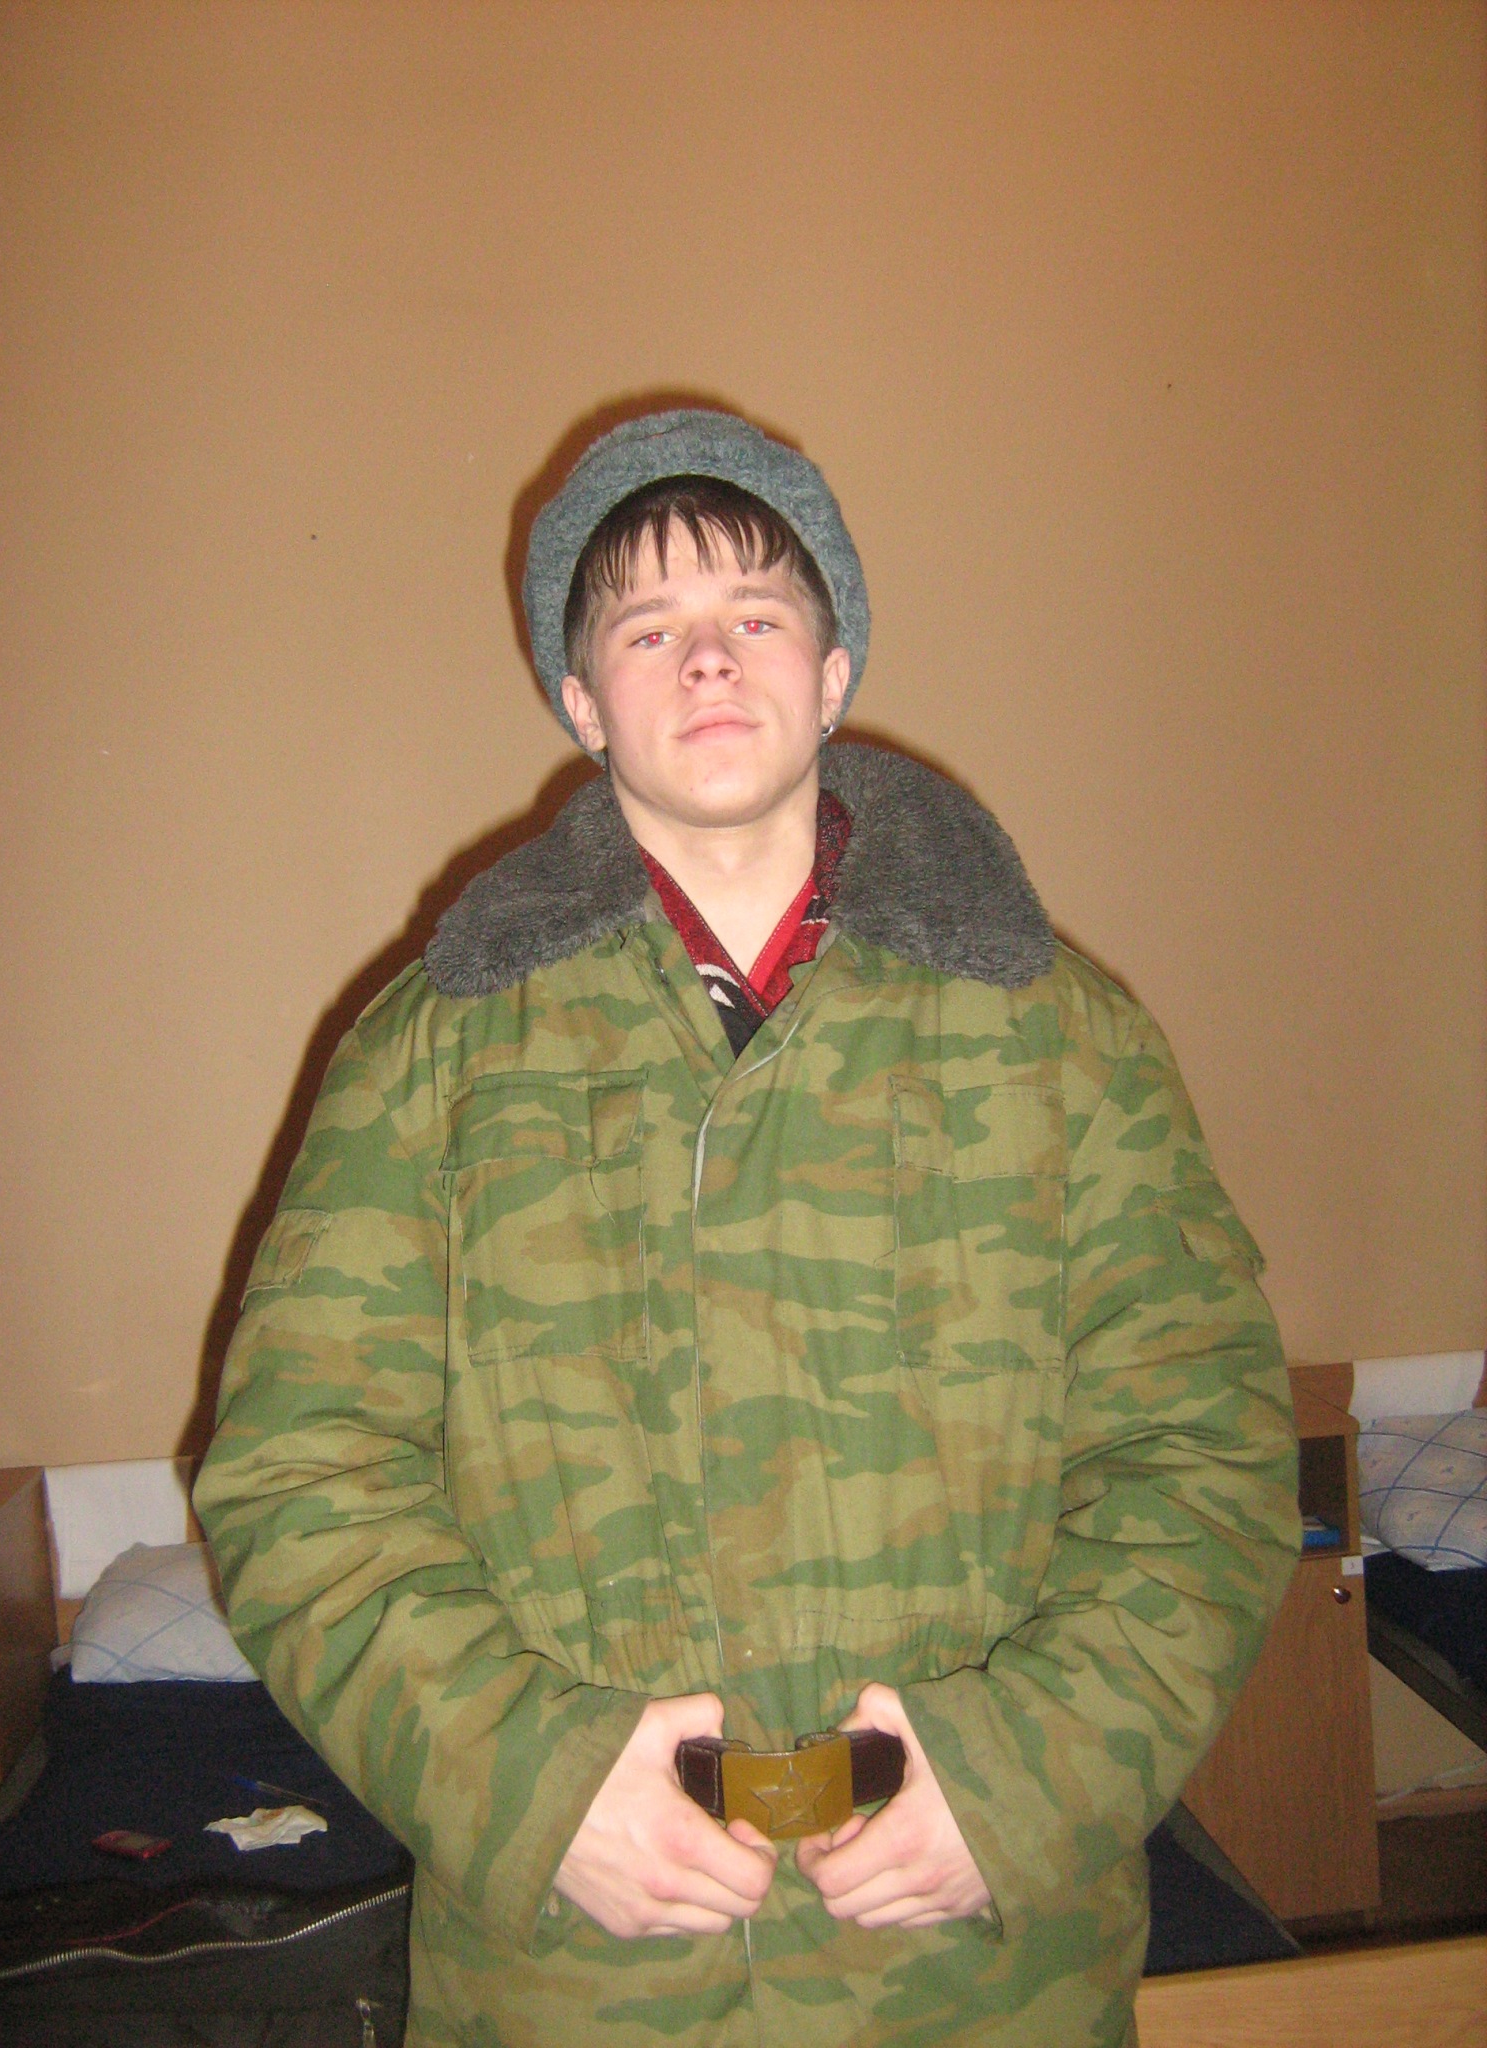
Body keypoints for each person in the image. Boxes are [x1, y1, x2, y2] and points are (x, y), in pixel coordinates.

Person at [195, 408, 1301, 2047]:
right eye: (648, 629)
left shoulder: (1063, 1038)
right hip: (579, 1985)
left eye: (754, 615)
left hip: (979, 1981)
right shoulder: (431, 1056)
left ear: (833, 672)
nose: (706, 658)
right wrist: (539, 1785)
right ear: (583, 702)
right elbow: (300, 1479)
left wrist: (1021, 1778)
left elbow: (1204, 1453)